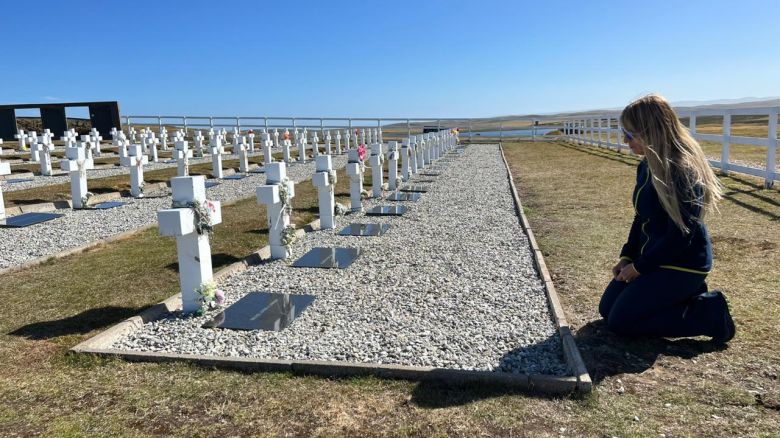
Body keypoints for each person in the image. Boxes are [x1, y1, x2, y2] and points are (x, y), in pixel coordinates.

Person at [599, 94, 735, 343]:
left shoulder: (682, 169)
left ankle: (710, 313)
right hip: (653, 258)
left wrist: (640, 268)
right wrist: (628, 256)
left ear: (649, 133)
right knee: (607, 310)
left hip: (682, 263)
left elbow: (682, 235)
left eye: (630, 135)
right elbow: (641, 217)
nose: (625, 141)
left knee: (622, 321)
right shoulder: (646, 165)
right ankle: (682, 296)